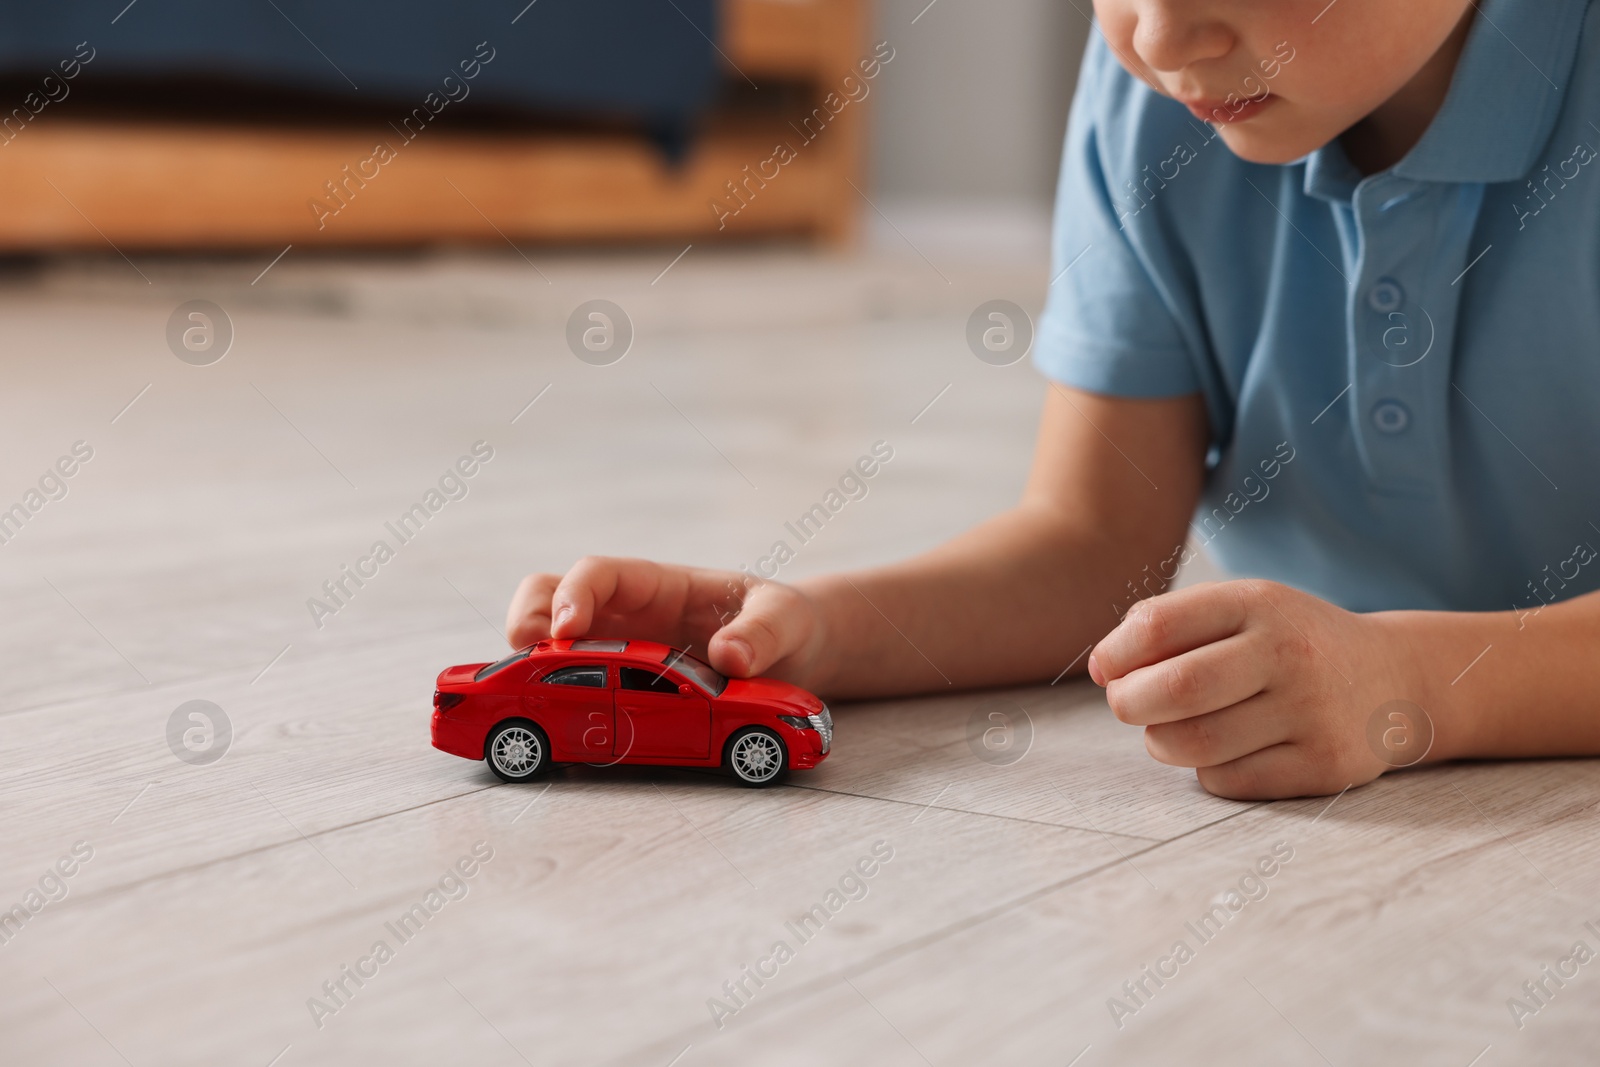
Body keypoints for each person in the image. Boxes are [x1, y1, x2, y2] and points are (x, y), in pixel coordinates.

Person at [507, 0, 1600, 800]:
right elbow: (1089, 547)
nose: (1160, 38)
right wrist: (812, 632)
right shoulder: (1160, 102)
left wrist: (1423, 686)